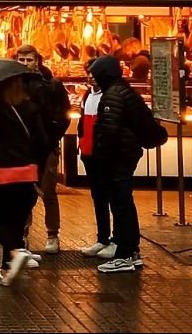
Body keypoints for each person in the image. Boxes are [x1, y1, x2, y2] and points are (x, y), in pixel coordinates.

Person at [90, 55, 166, 273]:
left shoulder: (112, 95)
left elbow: (109, 132)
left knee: (121, 205)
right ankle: (131, 252)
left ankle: (124, 254)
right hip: (127, 155)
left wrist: (101, 159)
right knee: (124, 203)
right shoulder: (125, 91)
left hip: (118, 158)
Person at [0, 74, 49, 286]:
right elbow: (43, 142)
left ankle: (15, 252)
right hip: (27, 172)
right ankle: (6, 269)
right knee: (16, 221)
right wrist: (39, 174)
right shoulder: (30, 108)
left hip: (2, 171)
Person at [14, 44, 70, 254]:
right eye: (22, 60)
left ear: (37, 60)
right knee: (23, 192)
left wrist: (53, 137)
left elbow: (64, 114)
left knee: (48, 191)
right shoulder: (14, 84)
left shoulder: (52, 84)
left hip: (47, 146)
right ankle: (23, 234)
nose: (26, 63)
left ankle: (52, 234)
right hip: (23, 148)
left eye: (29, 60)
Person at [77, 60, 116, 259]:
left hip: (104, 155)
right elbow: (83, 122)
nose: (91, 76)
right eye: (89, 73)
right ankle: (102, 237)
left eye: (94, 73)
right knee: (98, 197)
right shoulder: (87, 95)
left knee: (112, 197)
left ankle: (115, 240)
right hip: (89, 154)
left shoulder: (109, 96)